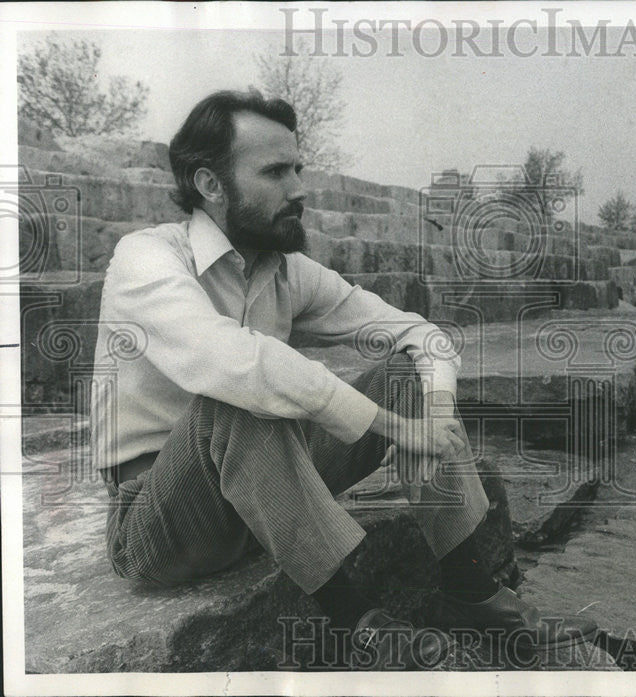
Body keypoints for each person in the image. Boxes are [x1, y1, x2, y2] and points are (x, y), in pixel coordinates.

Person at [90, 90, 596, 670]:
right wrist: (391, 428)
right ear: (209, 183)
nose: (300, 188)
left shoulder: (284, 270)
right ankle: (359, 626)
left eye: (298, 168)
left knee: (408, 373)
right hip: (161, 522)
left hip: (262, 492)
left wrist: (430, 413)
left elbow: (421, 336)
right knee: (237, 400)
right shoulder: (146, 258)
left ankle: (469, 592)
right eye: (276, 172)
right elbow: (234, 363)